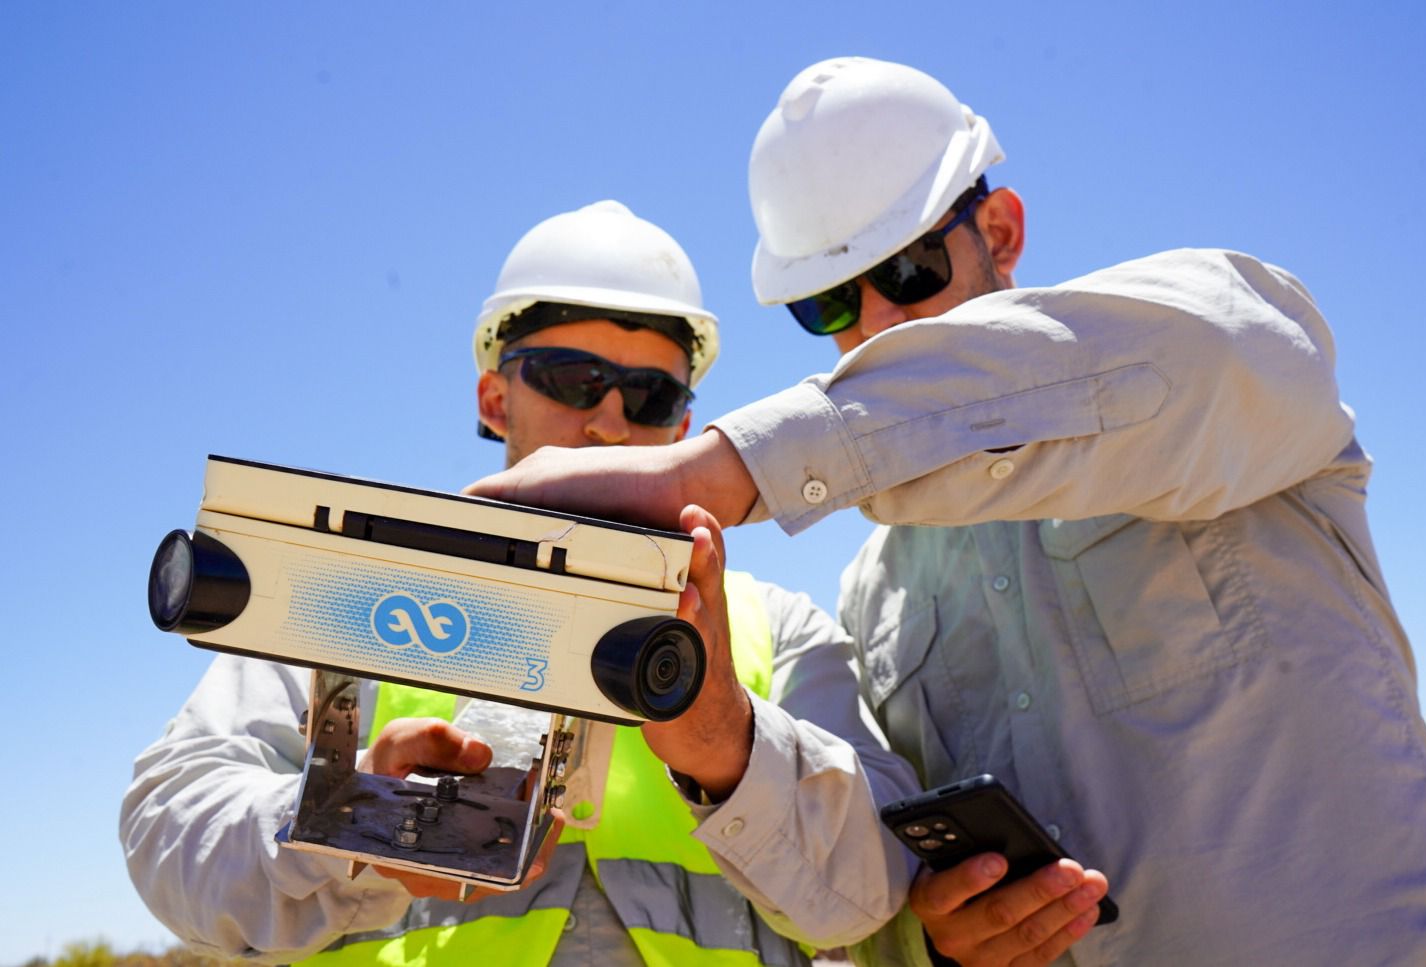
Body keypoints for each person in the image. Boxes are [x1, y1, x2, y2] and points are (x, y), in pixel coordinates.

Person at [466, 60, 1426, 966]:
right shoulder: (874, 593)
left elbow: (1212, 357)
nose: (878, 324)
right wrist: (945, 935)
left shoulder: (1216, 359)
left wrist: (729, 469)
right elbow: (885, 885)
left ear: (1003, 233)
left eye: (906, 271)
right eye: (830, 306)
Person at [120, 200, 920, 967]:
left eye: (650, 395)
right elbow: (169, 836)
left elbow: (873, 893)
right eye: (572, 378)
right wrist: (347, 821)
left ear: (682, 426)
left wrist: (726, 742)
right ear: (495, 397)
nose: (609, 420)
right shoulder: (350, 594)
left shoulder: (775, 629)